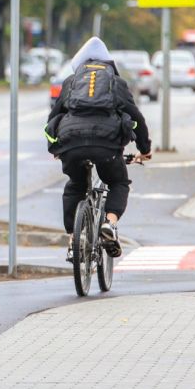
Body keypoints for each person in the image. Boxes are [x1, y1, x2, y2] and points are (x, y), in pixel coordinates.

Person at [45, 37, 152, 258]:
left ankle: (74, 240)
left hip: (71, 143)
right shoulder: (116, 83)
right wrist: (145, 148)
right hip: (106, 145)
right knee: (118, 182)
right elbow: (136, 118)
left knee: (75, 185)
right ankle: (109, 224)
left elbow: (53, 118)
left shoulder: (71, 82)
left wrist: (56, 148)